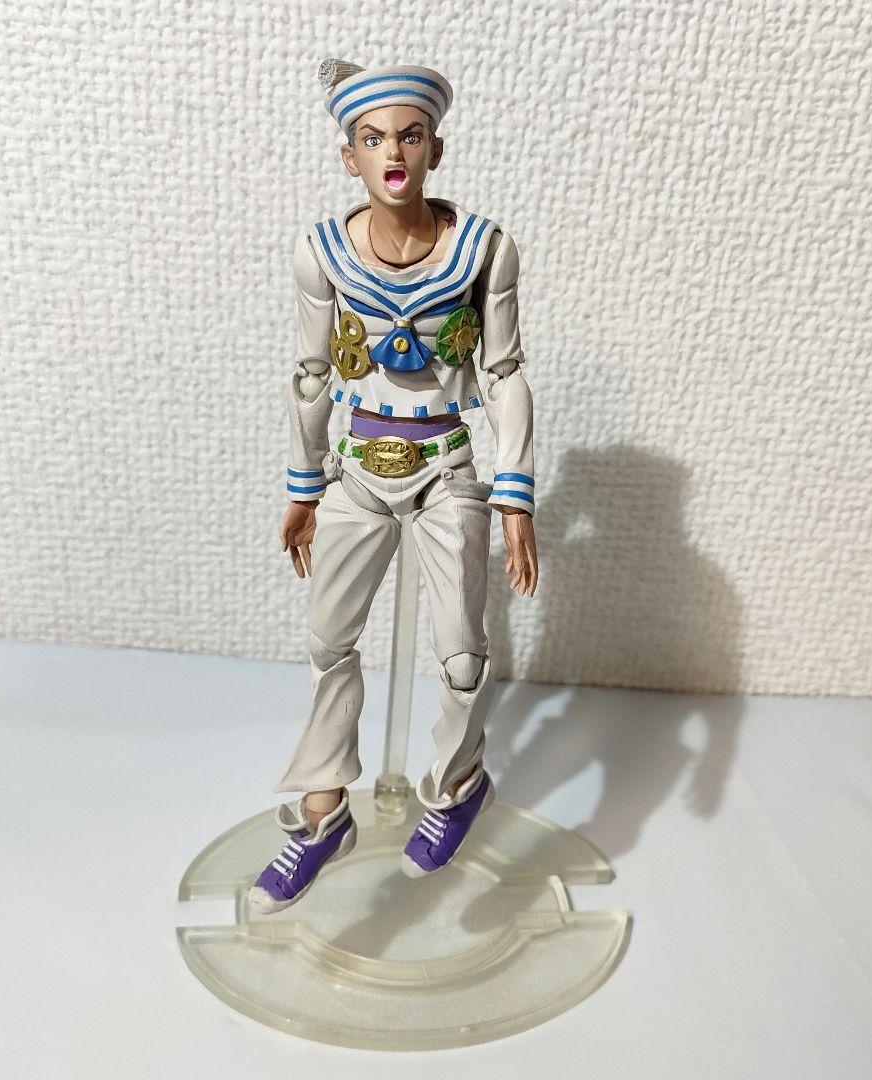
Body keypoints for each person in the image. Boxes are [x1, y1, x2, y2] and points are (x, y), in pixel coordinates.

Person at [249, 58, 538, 915]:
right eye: (374, 139)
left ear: (435, 148)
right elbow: (311, 373)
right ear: (350, 157)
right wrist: (304, 486)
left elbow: (505, 372)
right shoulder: (322, 252)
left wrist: (515, 493)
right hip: (359, 466)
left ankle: (458, 785)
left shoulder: (482, 249)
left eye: (410, 136)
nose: (394, 153)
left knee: (461, 653)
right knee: (329, 641)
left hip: (445, 465)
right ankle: (323, 810)